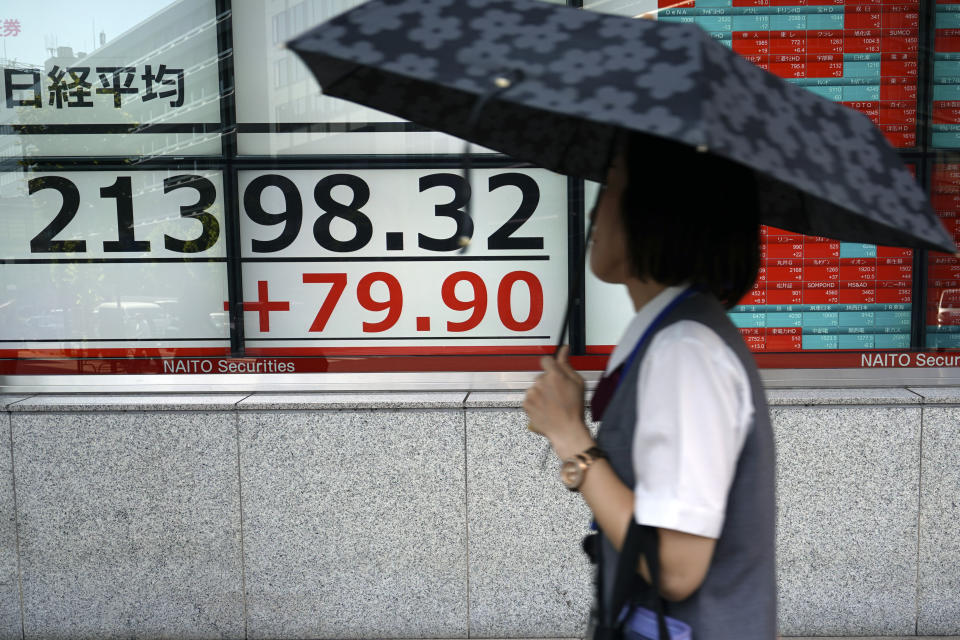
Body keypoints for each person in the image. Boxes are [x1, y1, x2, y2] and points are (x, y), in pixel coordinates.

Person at [523, 132, 776, 639]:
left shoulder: (684, 351)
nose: (596, 210)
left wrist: (572, 438)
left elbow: (677, 568)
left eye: (612, 187)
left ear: (658, 210)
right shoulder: (672, 336)